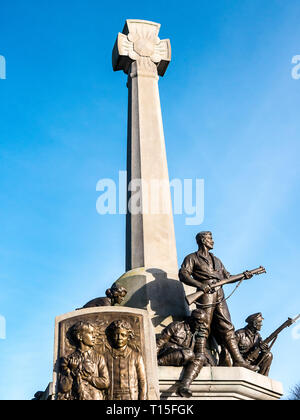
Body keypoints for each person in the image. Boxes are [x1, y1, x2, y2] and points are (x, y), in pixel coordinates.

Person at [179, 231, 257, 371]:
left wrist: (244, 276)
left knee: (227, 326)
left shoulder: (217, 260)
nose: (213, 241)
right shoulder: (192, 258)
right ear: (202, 240)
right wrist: (200, 285)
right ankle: (200, 356)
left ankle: (239, 360)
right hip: (205, 293)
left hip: (219, 292)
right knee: (203, 325)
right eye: (210, 238)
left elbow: (227, 276)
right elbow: (183, 274)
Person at [156, 309, 214, 398]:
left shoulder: (198, 334)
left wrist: (202, 338)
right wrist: (152, 360)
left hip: (185, 357)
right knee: (189, 353)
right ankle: (159, 362)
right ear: (192, 320)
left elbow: (200, 353)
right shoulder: (176, 326)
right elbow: (160, 342)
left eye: (203, 323)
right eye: (200, 323)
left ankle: (184, 386)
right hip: (167, 355)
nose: (201, 326)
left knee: (200, 357)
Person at [57, 321, 109, 400]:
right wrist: (71, 370)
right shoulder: (68, 359)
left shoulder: (99, 357)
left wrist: (89, 378)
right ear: (79, 336)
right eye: (90, 333)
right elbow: (64, 388)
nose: (94, 336)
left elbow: (105, 382)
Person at [104, 319, 147, 400]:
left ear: (128, 336)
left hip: (131, 396)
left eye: (123, 335)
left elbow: (142, 381)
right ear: (111, 336)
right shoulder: (105, 356)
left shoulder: (136, 357)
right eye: (116, 335)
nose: (119, 338)